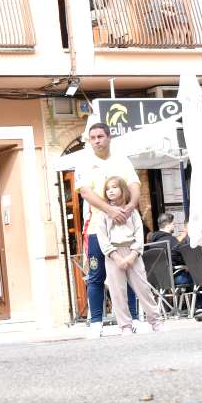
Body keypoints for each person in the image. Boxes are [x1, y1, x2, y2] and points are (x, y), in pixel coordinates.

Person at [75, 122, 139, 338]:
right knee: (96, 275)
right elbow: (85, 192)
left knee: (126, 273)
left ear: (109, 137)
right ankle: (96, 322)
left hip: (122, 228)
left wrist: (130, 207)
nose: (96, 141)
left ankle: (134, 319)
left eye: (100, 136)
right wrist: (110, 211)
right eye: (92, 138)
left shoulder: (121, 160)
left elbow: (134, 185)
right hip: (95, 227)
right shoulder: (84, 162)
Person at [99, 177, 164, 335]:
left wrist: (133, 254)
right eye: (108, 188)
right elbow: (102, 237)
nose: (111, 191)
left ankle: (156, 320)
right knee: (117, 292)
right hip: (113, 254)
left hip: (132, 252)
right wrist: (115, 256)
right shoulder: (104, 214)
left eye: (115, 187)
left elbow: (139, 234)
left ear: (123, 189)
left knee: (143, 288)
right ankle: (125, 325)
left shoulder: (132, 212)